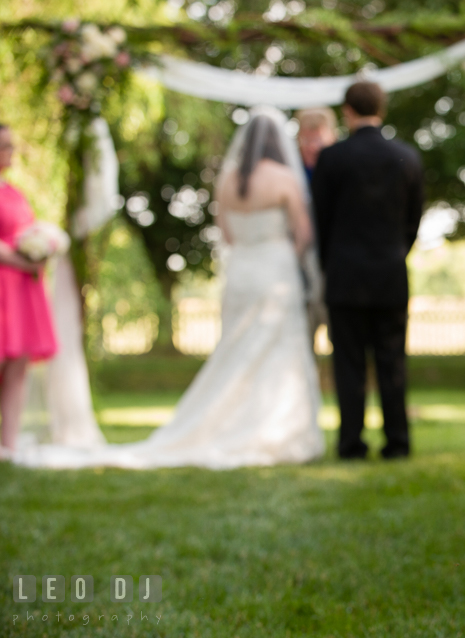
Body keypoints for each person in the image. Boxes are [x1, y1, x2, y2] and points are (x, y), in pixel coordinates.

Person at [16, 109, 324, 469]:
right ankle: (275, 428)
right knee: (276, 350)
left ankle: (232, 424)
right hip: (275, 272)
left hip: (242, 272)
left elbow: (226, 234)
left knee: (237, 350)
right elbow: (303, 235)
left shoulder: (228, 180)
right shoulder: (285, 179)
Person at [311, 82, 423, 460]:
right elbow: (413, 222)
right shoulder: (406, 156)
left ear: (347, 111)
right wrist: (393, 254)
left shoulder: (331, 159)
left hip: (344, 275)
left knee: (349, 364)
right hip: (391, 274)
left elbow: (320, 221)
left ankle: (351, 444)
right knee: (392, 361)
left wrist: (333, 263)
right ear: (382, 108)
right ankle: (398, 442)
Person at [0, 123, 57, 457]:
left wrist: (41, 250)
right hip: (4, 284)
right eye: (3, 144)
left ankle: (8, 447)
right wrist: (22, 261)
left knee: (18, 366)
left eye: (10, 144)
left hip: (23, 290)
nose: (9, 150)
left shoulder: (14, 192)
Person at [295, 107, 338, 183]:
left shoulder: (341, 170)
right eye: (306, 140)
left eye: (319, 141)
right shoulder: (293, 170)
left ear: (333, 138)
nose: (312, 147)